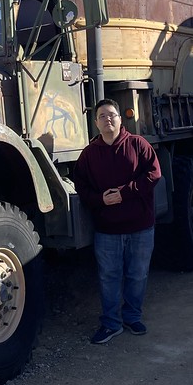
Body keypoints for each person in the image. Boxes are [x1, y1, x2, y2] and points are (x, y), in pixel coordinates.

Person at [74, 98, 161, 344]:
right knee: (108, 277)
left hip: (140, 227)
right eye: (102, 116)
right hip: (107, 230)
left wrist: (124, 192)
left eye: (112, 114)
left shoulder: (138, 144)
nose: (107, 119)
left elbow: (154, 174)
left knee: (137, 275)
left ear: (120, 119)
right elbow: (81, 185)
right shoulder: (89, 154)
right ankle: (111, 324)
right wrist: (100, 199)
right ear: (96, 123)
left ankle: (132, 317)